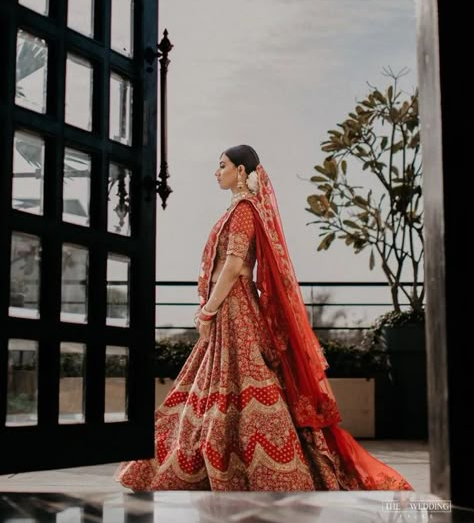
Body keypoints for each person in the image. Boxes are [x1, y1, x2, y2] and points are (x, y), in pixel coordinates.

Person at [116, 145, 412, 491]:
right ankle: (223, 457)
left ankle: (261, 466)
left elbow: (233, 266)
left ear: (241, 172)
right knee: (218, 385)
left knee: (241, 383)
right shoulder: (242, 209)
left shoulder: (243, 209)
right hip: (232, 307)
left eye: (222, 165)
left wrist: (208, 309)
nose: (217, 172)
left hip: (234, 306)